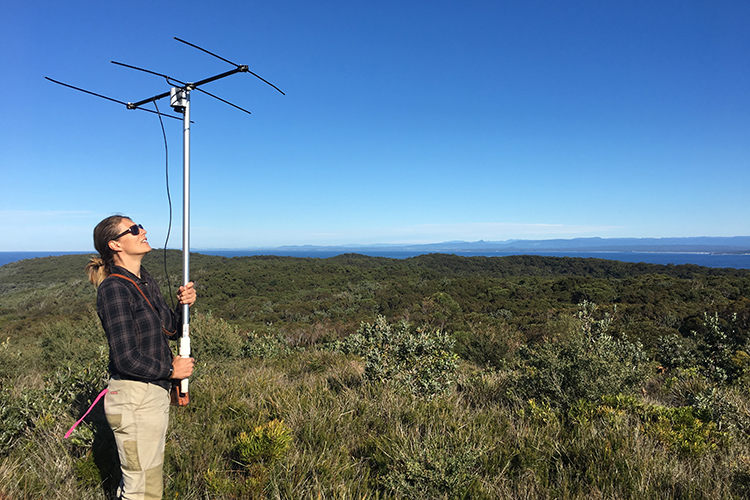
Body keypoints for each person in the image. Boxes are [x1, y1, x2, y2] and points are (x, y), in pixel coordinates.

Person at [85, 214, 196, 500]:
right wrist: (172, 371)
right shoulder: (114, 288)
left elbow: (169, 329)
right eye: (133, 229)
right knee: (142, 490)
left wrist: (181, 303)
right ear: (115, 244)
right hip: (135, 398)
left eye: (139, 226)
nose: (142, 230)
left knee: (146, 482)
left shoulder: (144, 281)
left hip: (151, 394)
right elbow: (126, 358)